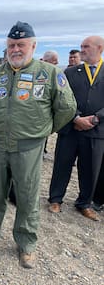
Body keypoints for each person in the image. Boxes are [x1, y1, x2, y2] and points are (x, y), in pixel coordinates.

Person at [0, 21, 76, 269]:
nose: (15, 49)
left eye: (21, 44)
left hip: (28, 145)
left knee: (27, 195)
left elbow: (67, 108)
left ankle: (26, 243)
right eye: (11, 45)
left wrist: (44, 130)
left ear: (33, 46)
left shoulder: (49, 73)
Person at [48, 36, 104, 222]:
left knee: (90, 169)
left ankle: (84, 203)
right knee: (62, 165)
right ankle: (56, 199)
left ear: (100, 48)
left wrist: (96, 118)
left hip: (96, 132)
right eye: (81, 47)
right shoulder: (70, 72)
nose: (82, 50)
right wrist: (76, 117)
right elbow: (61, 98)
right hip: (70, 129)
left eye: (86, 46)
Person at [41, 50, 59, 156]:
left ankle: (43, 149)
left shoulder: (55, 73)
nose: (56, 64)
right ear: (47, 61)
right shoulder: (35, 71)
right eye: (55, 62)